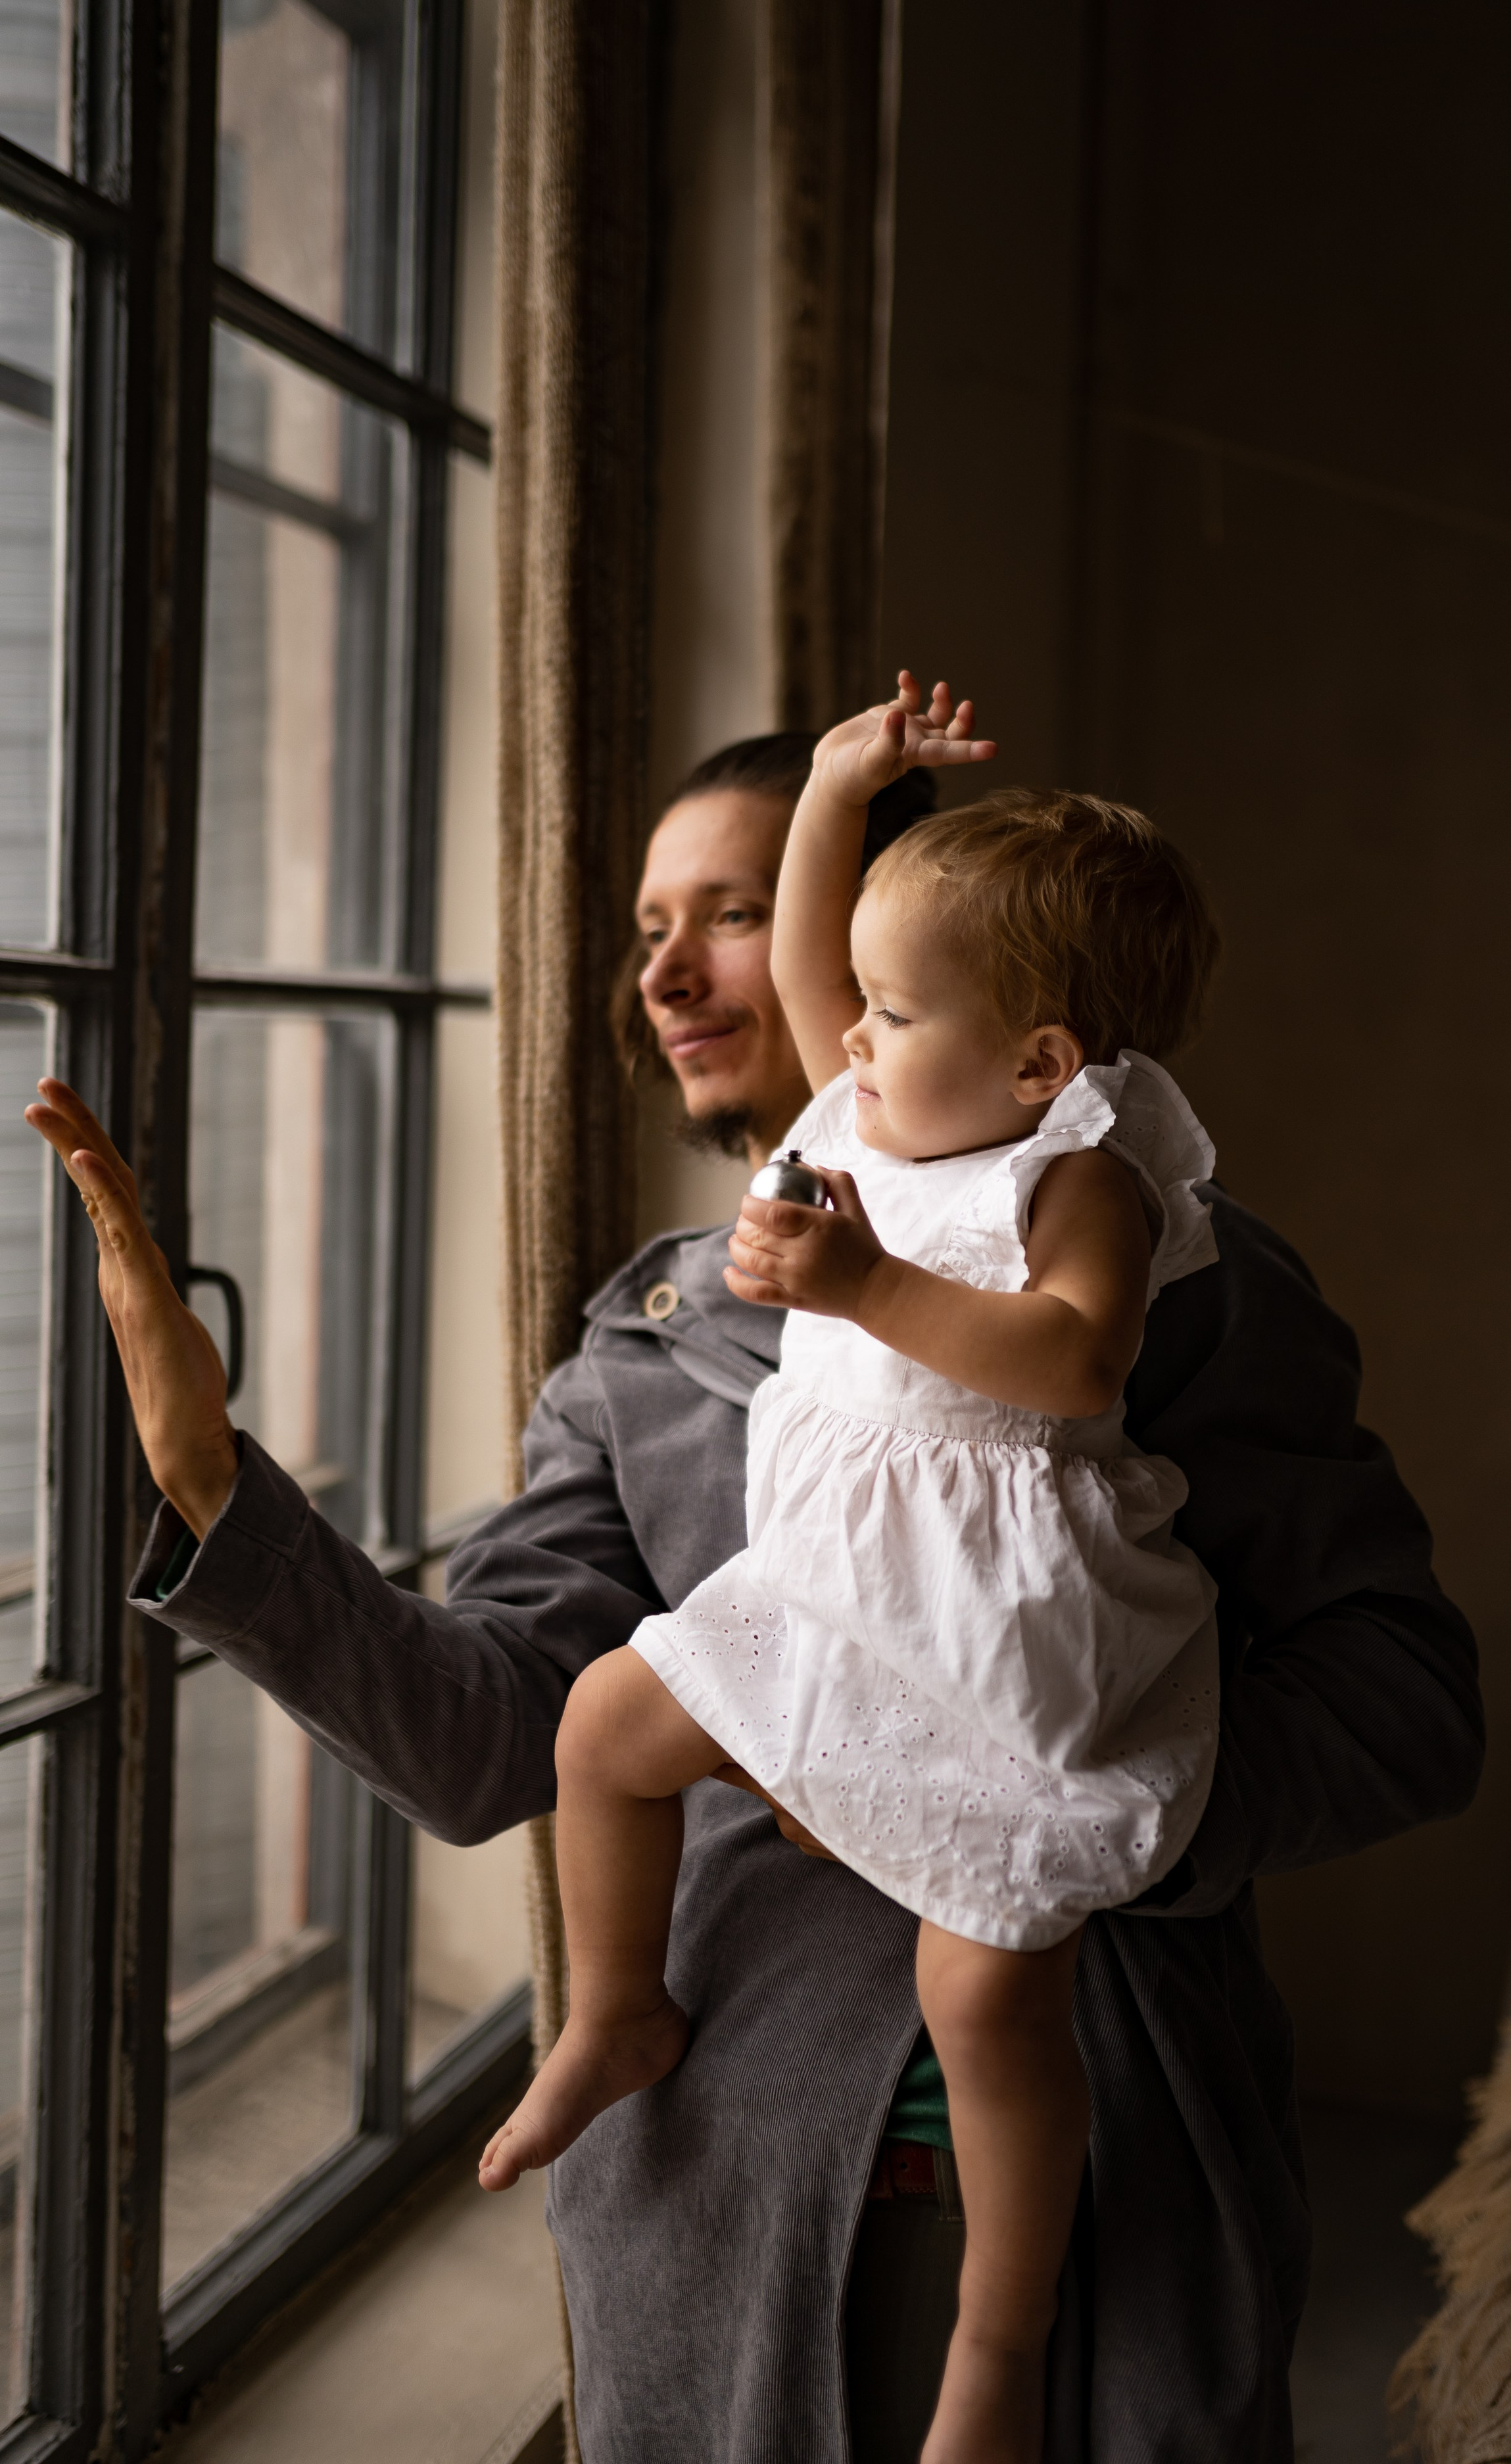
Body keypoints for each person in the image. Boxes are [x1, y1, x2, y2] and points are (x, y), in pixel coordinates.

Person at [24, 719, 1483, 2464]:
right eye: (652, 924)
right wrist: (211, 1490)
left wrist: (1057, 1810)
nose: (669, 969)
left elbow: (1407, 1699)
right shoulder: (637, 1345)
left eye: (728, 912)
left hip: (1104, 2179)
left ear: (1003, 1009)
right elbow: (494, 1745)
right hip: (721, 2189)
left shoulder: (1178, 1270)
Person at [484, 676, 1236, 2464]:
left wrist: (860, 1290)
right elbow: (830, 953)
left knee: (987, 1995)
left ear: (1043, 1060)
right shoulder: (871, 1102)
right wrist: (835, 785)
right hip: (830, 1593)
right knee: (606, 1726)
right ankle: (615, 2009)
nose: (852, 1030)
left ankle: (999, 2341)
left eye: (895, 1010)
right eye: (863, 1002)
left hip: (993, 1632)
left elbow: (1076, 1366)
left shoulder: (1083, 1179)